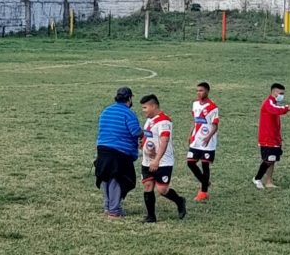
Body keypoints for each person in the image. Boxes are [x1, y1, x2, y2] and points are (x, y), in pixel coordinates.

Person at [94, 87, 142, 220]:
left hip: (102, 149)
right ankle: (114, 211)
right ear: (129, 98)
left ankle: (108, 206)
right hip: (119, 152)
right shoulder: (128, 113)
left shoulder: (106, 111)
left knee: (105, 178)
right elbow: (135, 132)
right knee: (117, 179)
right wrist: (144, 134)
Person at [140, 94, 186, 223]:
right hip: (147, 160)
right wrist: (142, 144)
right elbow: (147, 135)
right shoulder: (150, 119)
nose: (143, 111)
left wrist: (156, 160)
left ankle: (179, 201)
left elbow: (164, 141)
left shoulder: (164, 121)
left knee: (162, 190)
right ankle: (151, 216)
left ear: (153, 106)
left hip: (163, 162)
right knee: (148, 186)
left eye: (145, 107)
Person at [253, 83, 290, 189]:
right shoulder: (268, 103)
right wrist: (287, 108)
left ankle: (269, 182)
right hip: (267, 138)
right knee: (268, 159)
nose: (282, 96)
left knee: (272, 160)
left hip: (274, 138)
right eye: (281, 93)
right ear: (274, 92)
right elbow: (276, 110)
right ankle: (257, 178)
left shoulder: (274, 102)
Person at [186, 82, 219, 201]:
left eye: (201, 90)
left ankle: (203, 192)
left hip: (207, 142)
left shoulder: (213, 107)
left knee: (205, 165)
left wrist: (209, 137)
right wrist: (190, 134)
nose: (199, 93)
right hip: (196, 140)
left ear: (207, 91)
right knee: (190, 162)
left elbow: (215, 126)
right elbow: (194, 121)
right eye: (197, 91)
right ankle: (205, 181)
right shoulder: (195, 104)